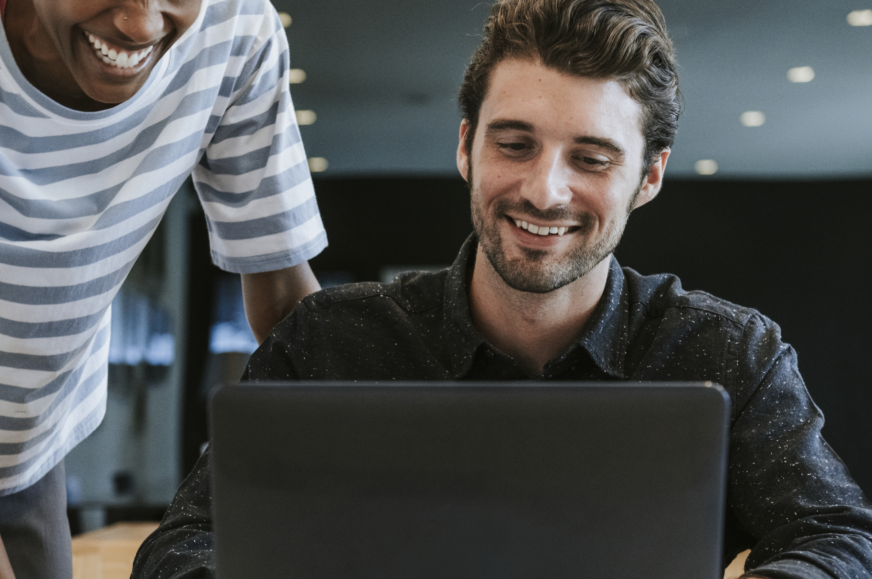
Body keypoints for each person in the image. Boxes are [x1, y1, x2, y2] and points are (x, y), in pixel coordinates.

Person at [130, 0, 872, 577]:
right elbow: (182, 546)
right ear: (466, 145)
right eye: (514, 144)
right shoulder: (329, 340)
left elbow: (839, 538)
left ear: (648, 177)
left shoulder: (727, 351)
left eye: (591, 157)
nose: (545, 191)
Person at [0, 0, 327, 576]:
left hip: (33, 449)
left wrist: (387, 483)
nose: (142, 25)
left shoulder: (239, 28)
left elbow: (284, 299)